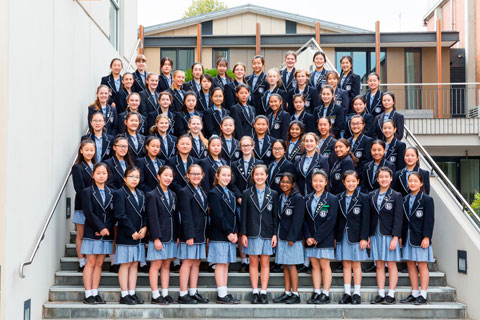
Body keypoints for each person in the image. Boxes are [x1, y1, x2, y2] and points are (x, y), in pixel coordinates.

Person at [241, 164, 278, 304]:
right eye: (256, 174)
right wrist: (243, 234)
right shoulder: (246, 193)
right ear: (253, 176)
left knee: (265, 263)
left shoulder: (273, 194)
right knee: (253, 263)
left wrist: (275, 234)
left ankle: (263, 291)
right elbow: (243, 215)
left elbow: (275, 216)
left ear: (267, 176)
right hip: (252, 232)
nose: (259, 177)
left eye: (262, 174)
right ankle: (255, 291)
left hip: (268, 233)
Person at [81, 163, 115, 304]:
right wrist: (100, 227)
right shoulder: (87, 191)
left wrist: (105, 228)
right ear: (93, 175)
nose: (101, 175)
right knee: (91, 262)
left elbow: (113, 214)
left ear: (107, 175)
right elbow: (88, 212)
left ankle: (95, 292)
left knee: (100, 263)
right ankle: (88, 294)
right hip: (92, 231)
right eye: (98, 173)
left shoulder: (112, 192)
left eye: (104, 173)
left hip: (106, 233)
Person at [369, 167, 403, 304]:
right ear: (377, 179)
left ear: (391, 178)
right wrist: (368, 236)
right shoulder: (372, 195)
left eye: (386, 177)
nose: (383, 179)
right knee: (379, 264)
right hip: (375, 234)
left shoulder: (396, 195)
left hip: (389, 234)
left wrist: (395, 237)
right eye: (381, 177)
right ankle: (381, 293)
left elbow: (398, 218)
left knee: (391, 264)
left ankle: (391, 294)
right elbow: (370, 217)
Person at [335, 170, 370, 305]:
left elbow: (365, 219)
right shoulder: (338, 197)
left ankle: (356, 293)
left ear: (358, 182)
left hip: (357, 236)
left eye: (353, 181)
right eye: (348, 181)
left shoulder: (363, 198)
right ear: (343, 182)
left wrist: (363, 238)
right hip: (342, 235)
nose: (351, 184)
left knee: (356, 264)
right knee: (346, 264)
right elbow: (336, 219)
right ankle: (347, 292)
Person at [207, 165, 241, 304]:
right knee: (220, 264)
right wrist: (228, 233)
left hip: (231, 235)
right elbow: (218, 216)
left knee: (226, 264)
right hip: (220, 234)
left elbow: (233, 215)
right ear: (217, 176)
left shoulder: (231, 193)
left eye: (228, 175)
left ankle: (224, 292)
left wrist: (236, 232)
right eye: (223, 175)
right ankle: (221, 294)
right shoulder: (214, 193)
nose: (226, 178)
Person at [113, 167, 147, 305]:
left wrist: (144, 227)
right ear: (125, 178)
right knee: (125, 264)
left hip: (139, 235)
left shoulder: (141, 193)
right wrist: (131, 231)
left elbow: (145, 213)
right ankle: (124, 294)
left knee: (134, 264)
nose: (134, 179)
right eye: (131, 176)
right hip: (126, 234)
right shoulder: (120, 193)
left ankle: (132, 292)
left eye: (137, 177)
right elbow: (120, 215)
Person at [400, 172, 435, 305]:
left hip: (421, 237)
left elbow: (429, 220)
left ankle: (423, 294)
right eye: (410, 181)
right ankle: (414, 292)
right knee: (410, 264)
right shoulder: (404, 199)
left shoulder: (427, 199)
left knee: (422, 264)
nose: (412, 183)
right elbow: (403, 220)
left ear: (421, 183)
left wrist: (426, 237)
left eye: (415, 181)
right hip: (408, 236)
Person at [303, 170, 338, 304]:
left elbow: (331, 221)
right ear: (311, 182)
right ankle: (317, 291)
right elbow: (304, 220)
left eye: (321, 181)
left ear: (326, 182)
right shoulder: (307, 198)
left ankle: (325, 293)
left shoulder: (332, 199)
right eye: (315, 181)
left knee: (324, 265)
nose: (318, 183)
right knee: (314, 265)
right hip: (310, 239)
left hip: (325, 238)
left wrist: (317, 237)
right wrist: (308, 236)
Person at [177, 164, 209, 304]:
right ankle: (183, 293)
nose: (196, 176)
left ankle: (193, 291)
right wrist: (189, 235)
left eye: (198, 174)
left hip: (200, 232)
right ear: (187, 175)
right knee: (187, 262)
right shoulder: (184, 191)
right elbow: (186, 215)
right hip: (190, 233)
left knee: (196, 262)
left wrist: (206, 234)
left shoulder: (201, 191)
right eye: (193, 174)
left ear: (202, 176)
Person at [146, 165, 178, 305]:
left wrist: (176, 235)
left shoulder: (173, 194)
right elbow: (152, 218)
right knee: (156, 265)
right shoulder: (152, 195)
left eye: (170, 176)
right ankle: (155, 294)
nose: (168, 178)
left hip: (170, 235)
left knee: (166, 265)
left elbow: (175, 217)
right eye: (165, 175)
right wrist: (156, 238)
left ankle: (165, 293)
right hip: (158, 236)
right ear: (158, 176)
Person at [272, 173, 305, 304]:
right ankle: (287, 292)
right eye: (282, 181)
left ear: (292, 184)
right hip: (282, 235)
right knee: (285, 265)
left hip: (292, 237)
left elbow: (298, 220)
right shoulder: (280, 197)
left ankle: (295, 294)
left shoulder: (298, 198)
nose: (284, 184)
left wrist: (292, 237)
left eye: (287, 182)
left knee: (292, 265)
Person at [72, 140, 96, 272]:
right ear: (81, 151)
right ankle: (82, 261)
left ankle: (90, 259)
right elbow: (79, 188)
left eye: (91, 150)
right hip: (82, 205)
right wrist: (89, 203)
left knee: (90, 234)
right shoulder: (78, 167)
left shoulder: (97, 166)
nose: (89, 152)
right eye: (86, 150)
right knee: (81, 234)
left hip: (96, 207)